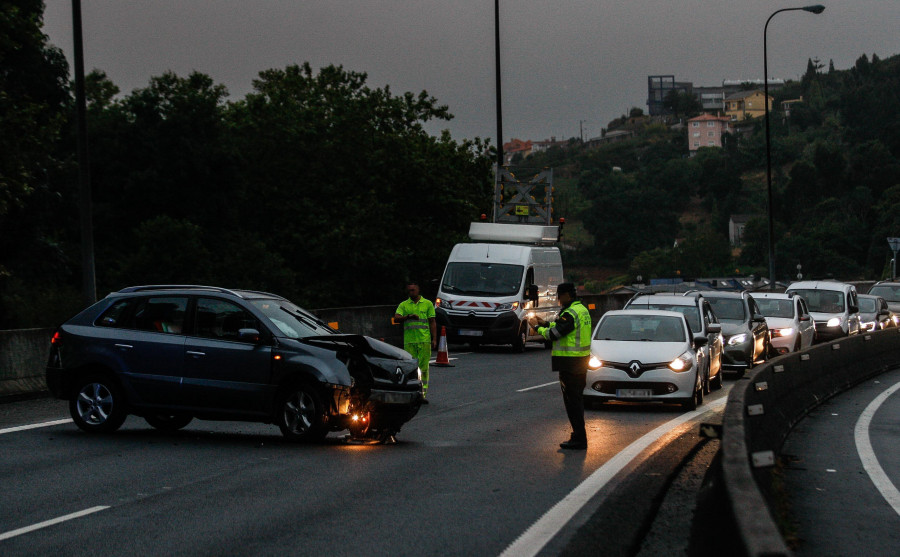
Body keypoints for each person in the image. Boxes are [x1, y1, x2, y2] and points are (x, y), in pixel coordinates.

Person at [528, 283, 592, 450]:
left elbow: (554, 334)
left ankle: (579, 438)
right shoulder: (581, 310)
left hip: (570, 364)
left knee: (573, 404)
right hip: (579, 362)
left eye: (559, 296)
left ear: (567, 296)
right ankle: (578, 436)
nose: (558, 299)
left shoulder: (570, 313)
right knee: (576, 402)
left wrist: (537, 328)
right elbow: (561, 328)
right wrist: (545, 323)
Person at [394, 281, 437, 403]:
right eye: (409, 290)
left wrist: (434, 339)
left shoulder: (427, 304)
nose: (411, 292)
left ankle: (422, 394)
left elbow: (432, 321)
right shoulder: (404, 305)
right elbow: (396, 318)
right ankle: (410, 393)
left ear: (418, 290)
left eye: (413, 290)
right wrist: (408, 317)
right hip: (410, 342)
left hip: (424, 341)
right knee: (410, 369)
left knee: (423, 369)